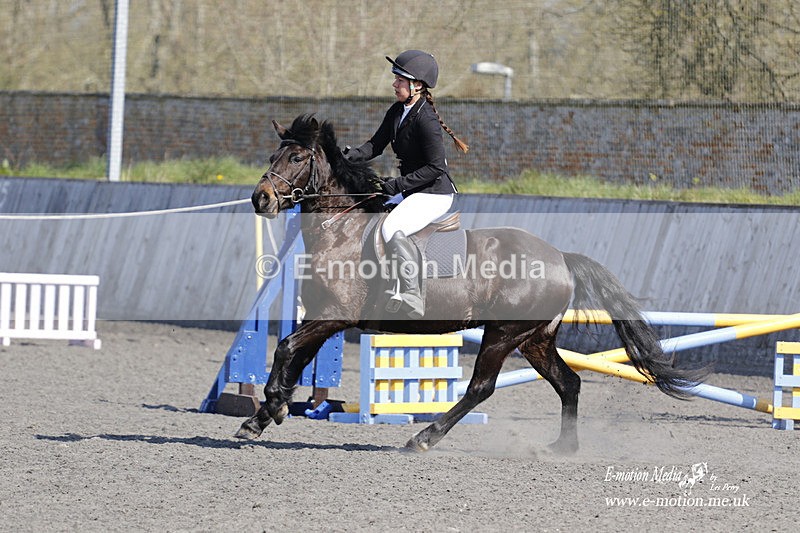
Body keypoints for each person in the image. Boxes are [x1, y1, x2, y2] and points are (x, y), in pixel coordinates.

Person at [345, 49, 469, 319]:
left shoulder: (426, 120)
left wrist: (396, 185)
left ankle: (412, 293)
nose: (394, 84)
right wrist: (346, 156)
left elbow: (435, 168)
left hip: (434, 193)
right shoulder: (397, 111)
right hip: (413, 190)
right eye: (396, 79)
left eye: (400, 80)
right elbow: (374, 146)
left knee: (392, 227)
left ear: (417, 85)